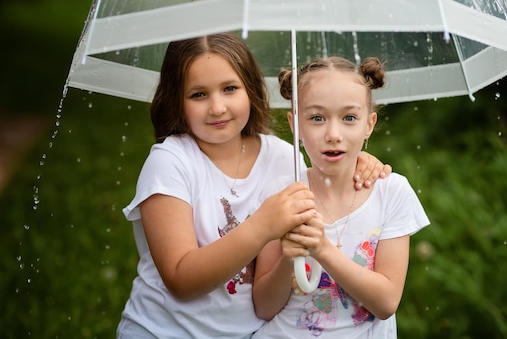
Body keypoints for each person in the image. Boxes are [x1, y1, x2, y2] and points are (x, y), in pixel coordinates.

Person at [116, 33, 391, 339]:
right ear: (176, 101)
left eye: (230, 89)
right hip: (165, 331)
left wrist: (360, 161)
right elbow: (181, 279)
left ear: (250, 90)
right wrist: (262, 226)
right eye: (198, 95)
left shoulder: (284, 158)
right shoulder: (170, 163)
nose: (217, 107)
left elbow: (327, 173)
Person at [251, 56, 430, 338]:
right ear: (295, 124)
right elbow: (264, 307)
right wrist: (287, 260)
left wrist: (322, 249)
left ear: (369, 124)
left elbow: (386, 303)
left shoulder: (391, 192)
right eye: (317, 118)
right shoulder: (281, 194)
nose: (333, 134)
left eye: (349, 118)